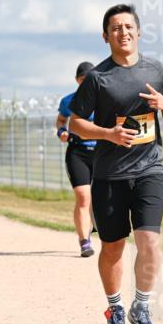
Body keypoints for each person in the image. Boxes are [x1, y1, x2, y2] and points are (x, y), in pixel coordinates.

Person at [69, 4, 163, 324]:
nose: (123, 32)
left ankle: (142, 306)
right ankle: (115, 307)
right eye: (115, 28)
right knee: (114, 247)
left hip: (150, 169)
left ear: (139, 31)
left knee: (150, 242)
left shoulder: (157, 69)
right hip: (109, 174)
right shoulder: (98, 78)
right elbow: (76, 122)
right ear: (106, 36)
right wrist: (108, 134)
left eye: (129, 26)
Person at [57, 61, 99, 258]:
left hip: (101, 152)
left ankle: (94, 225)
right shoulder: (69, 101)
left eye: (90, 79)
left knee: (98, 197)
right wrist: (61, 131)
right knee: (83, 197)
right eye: (83, 79)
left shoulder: (103, 99)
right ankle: (84, 242)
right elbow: (60, 120)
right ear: (77, 80)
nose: (86, 83)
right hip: (77, 152)